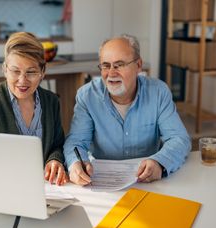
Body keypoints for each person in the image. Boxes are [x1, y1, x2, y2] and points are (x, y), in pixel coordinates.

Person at [64, 34, 191, 186]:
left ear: (138, 65)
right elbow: (76, 142)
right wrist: (75, 165)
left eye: (119, 65)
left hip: (148, 181)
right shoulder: (87, 96)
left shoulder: (158, 92)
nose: (111, 73)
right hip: (103, 183)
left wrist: (159, 162)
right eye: (105, 65)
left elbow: (179, 138)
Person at [0, 32, 67, 185]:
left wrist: (55, 159)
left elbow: (58, 145)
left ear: (43, 72)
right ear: (5, 69)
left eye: (31, 72)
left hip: (46, 189)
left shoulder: (51, 101)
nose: (22, 81)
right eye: (15, 71)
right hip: (1, 187)